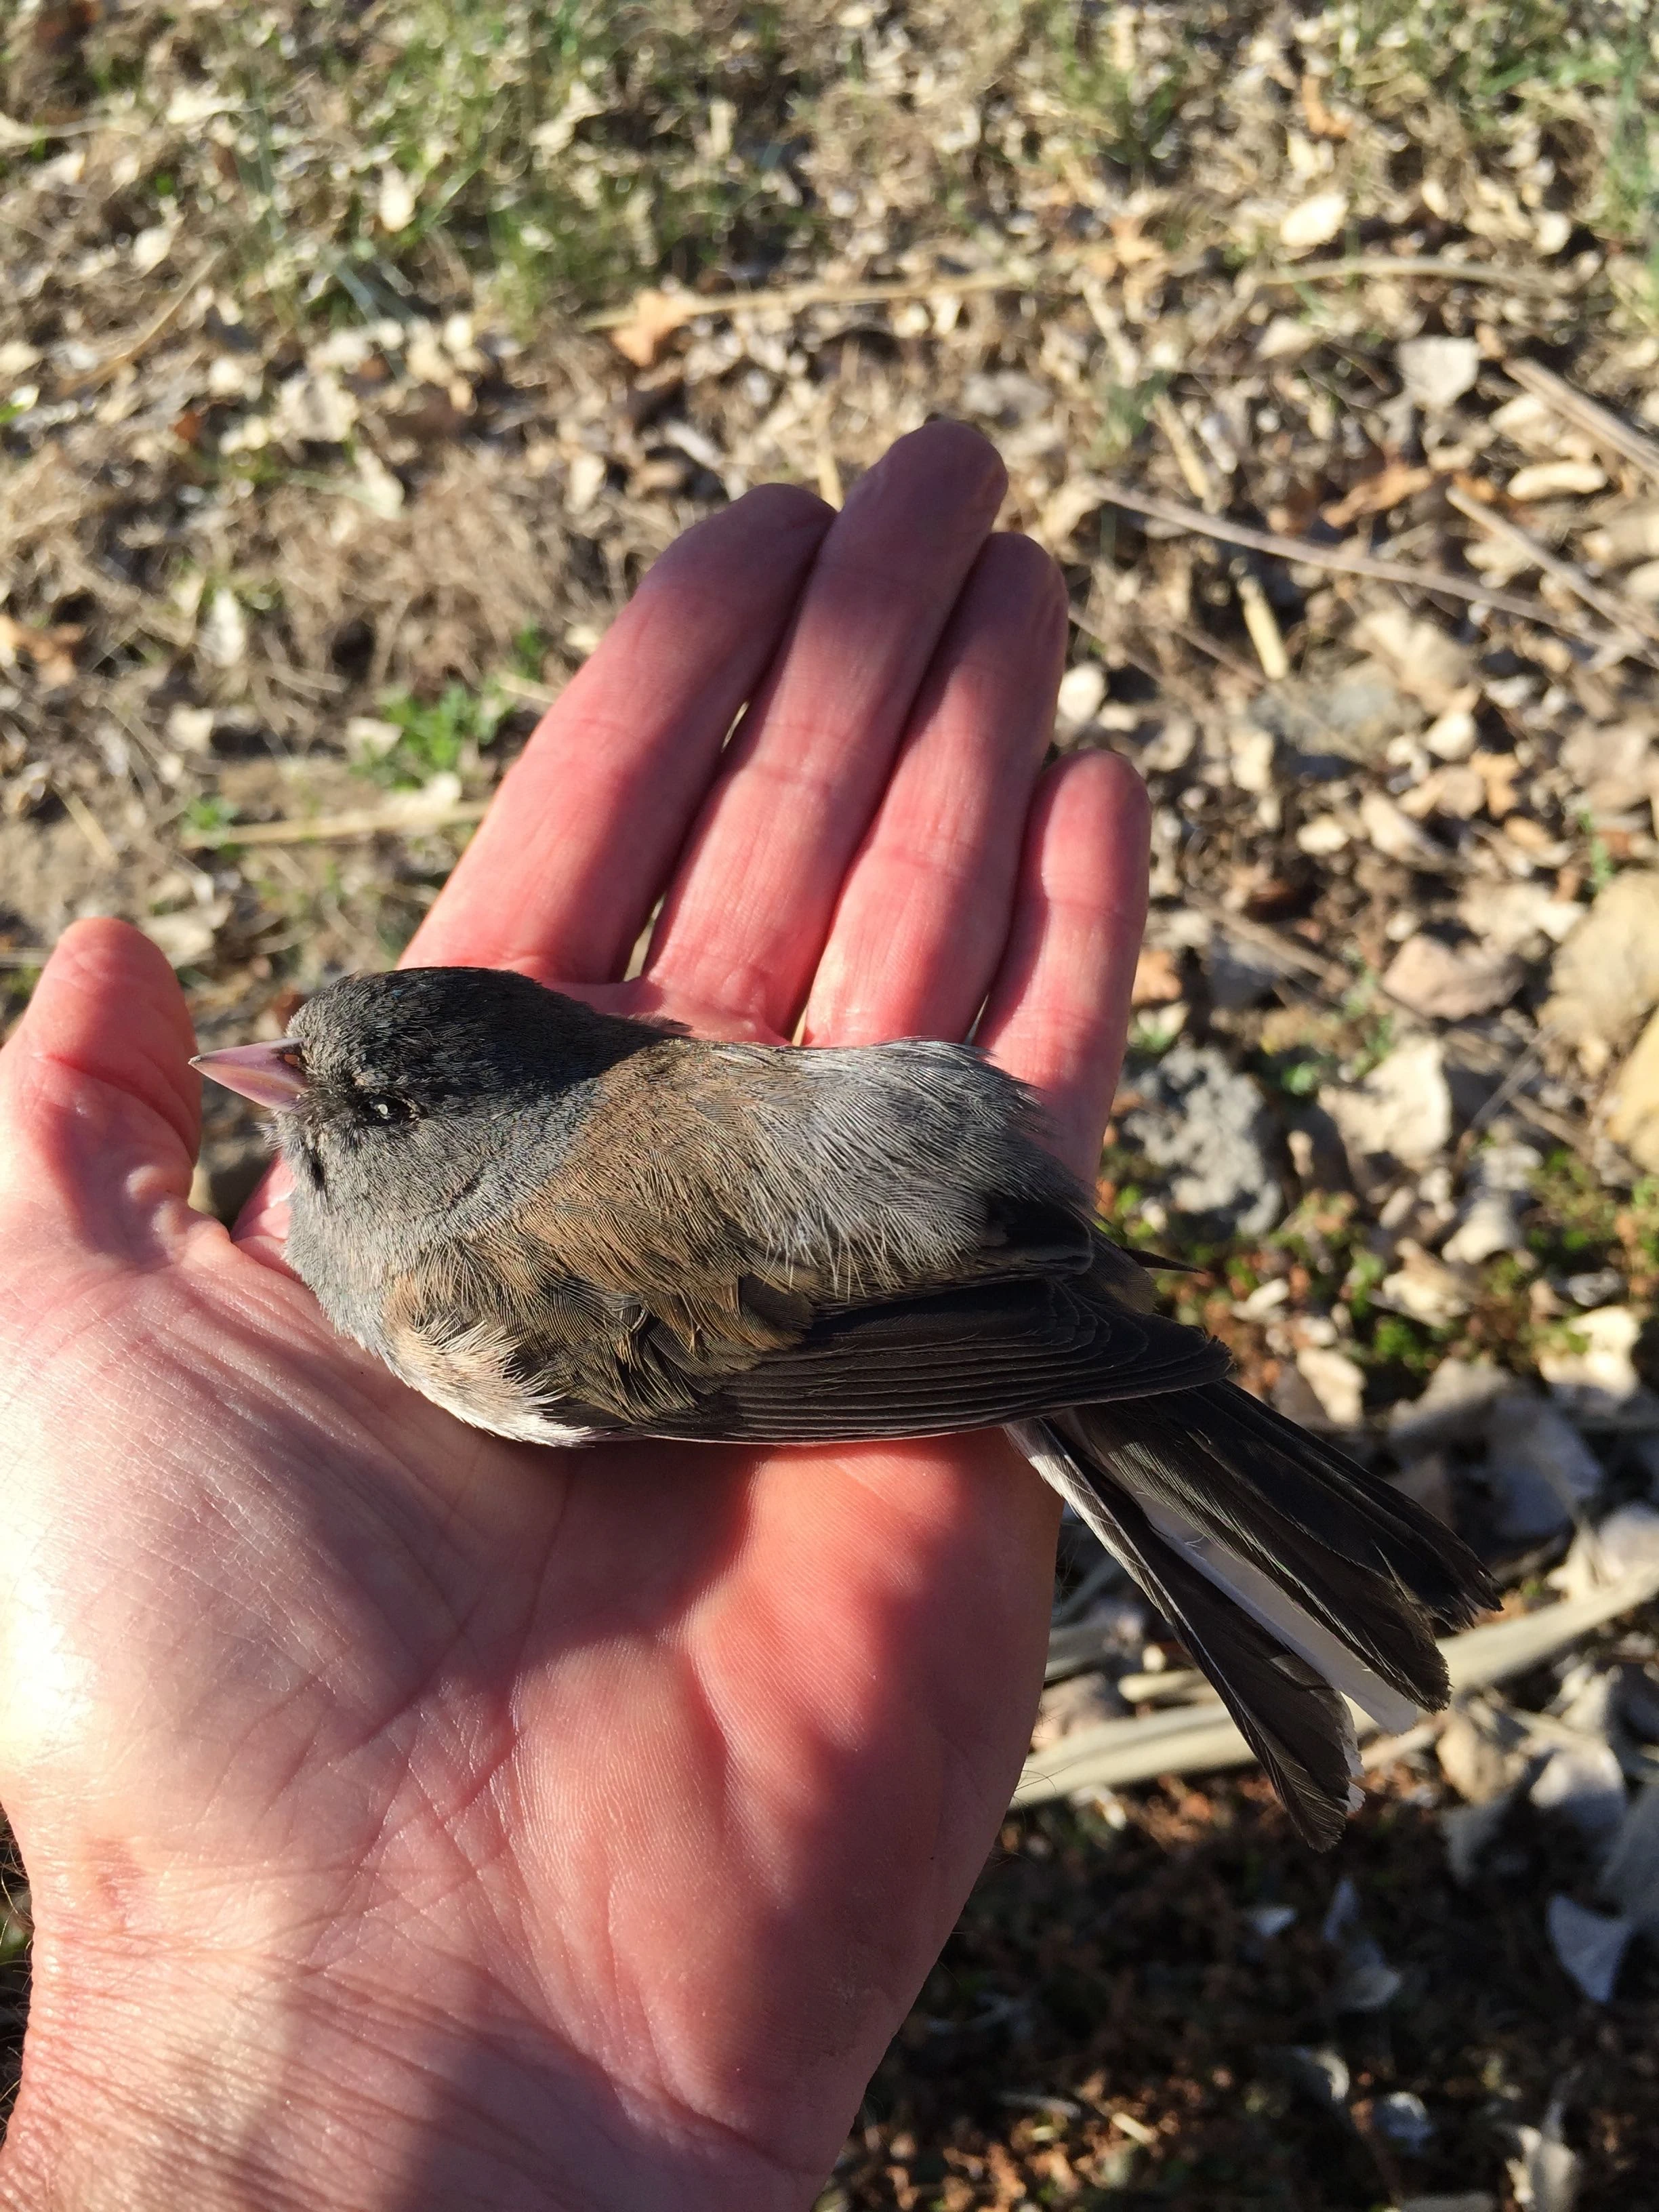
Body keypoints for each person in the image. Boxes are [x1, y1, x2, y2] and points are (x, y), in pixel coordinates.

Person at [0, 421, 1149, 2209]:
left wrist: (1075, 1356)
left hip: (864, 1227)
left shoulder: (473, 1299)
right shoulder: (503, 1159)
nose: (275, 1093)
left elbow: (795, 1357)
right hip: (803, 1141)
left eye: (352, 1106)